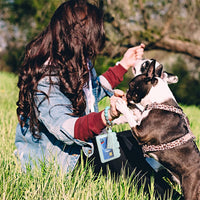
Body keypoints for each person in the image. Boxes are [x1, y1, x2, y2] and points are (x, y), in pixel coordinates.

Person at [15, 1, 183, 199]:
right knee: (117, 153)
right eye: (94, 34)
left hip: (81, 147)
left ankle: (169, 175)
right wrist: (107, 115)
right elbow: (67, 129)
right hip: (62, 161)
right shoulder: (46, 77)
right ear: (78, 35)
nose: (97, 41)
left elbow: (92, 89)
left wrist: (123, 65)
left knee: (139, 138)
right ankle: (171, 196)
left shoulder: (77, 59)